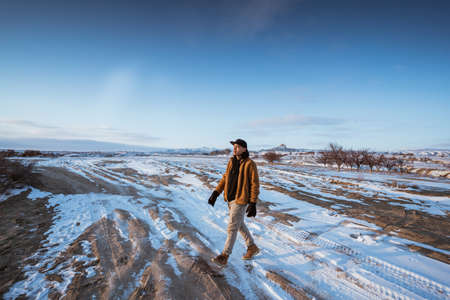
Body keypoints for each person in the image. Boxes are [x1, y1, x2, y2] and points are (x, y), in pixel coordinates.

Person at [208, 138, 260, 266]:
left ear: (244, 149)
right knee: (239, 224)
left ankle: (224, 255)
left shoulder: (250, 164)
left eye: (237, 146)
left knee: (232, 227)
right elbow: (225, 178)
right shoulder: (231, 161)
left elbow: (255, 184)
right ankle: (252, 247)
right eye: (234, 146)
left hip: (240, 199)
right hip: (230, 199)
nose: (234, 149)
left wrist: (253, 203)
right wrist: (216, 193)